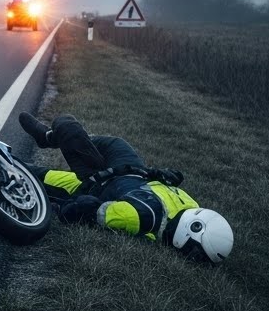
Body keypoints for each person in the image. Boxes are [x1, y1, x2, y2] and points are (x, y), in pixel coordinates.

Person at [18, 112, 233, 263]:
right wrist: (165, 175)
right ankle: (50, 138)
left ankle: (45, 141)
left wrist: (61, 208)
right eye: (195, 254)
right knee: (106, 141)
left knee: (51, 146)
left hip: (96, 180)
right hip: (131, 168)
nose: (192, 258)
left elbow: (90, 210)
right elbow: (162, 189)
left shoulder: (142, 217)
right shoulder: (189, 206)